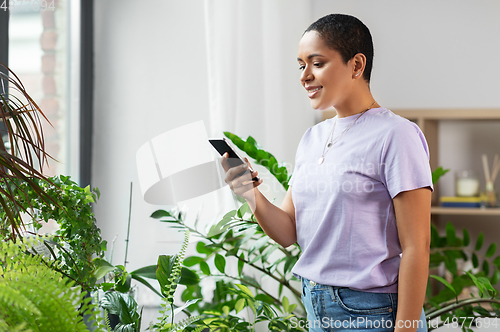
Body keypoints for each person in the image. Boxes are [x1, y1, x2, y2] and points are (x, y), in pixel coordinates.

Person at [222, 13, 432, 332]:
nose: (305, 75)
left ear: (356, 65)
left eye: (317, 63)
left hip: (373, 313)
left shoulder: (396, 135)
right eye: (301, 65)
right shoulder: (312, 139)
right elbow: (288, 232)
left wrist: (405, 328)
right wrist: (250, 194)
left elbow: (418, 245)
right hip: (317, 309)